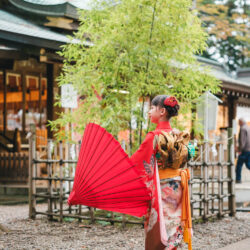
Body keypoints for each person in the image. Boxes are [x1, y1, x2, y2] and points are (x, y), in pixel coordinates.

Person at [130, 95, 192, 250]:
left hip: (160, 189)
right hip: (177, 187)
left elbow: (136, 164)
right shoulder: (178, 135)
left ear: (162, 111)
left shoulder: (154, 136)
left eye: (152, 108)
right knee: (173, 224)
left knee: (159, 228)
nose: (149, 112)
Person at [236, 118, 250, 183]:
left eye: (239, 122)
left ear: (241, 122)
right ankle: (238, 178)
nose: (238, 124)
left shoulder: (243, 129)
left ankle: (238, 179)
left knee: (239, 165)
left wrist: (240, 149)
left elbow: (242, 141)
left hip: (244, 150)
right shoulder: (248, 127)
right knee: (248, 164)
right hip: (249, 149)